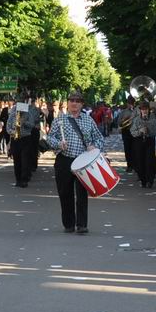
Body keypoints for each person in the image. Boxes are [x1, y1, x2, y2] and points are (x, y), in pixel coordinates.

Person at [49, 90, 104, 234]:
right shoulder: (59, 119)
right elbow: (50, 137)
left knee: (81, 195)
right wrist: (59, 143)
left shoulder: (88, 120)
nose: (74, 103)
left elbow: (99, 138)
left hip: (83, 162)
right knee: (64, 193)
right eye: (71, 100)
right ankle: (68, 224)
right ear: (68, 103)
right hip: (64, 160)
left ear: (82, 104)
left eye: (77, 101)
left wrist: (94, 147)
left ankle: (81, 225)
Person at [6, 94, 43, 187]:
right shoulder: (13, 114)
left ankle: (24, 179)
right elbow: (8, 127)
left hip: (25, 138)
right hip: (15, 139)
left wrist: (24, 122)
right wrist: (13, 132)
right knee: (17, 160)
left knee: (25, 160)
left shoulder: (28, 114)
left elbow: (32, 125)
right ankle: (18, 179)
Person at [130, 100, 156, 188]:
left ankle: (150, 180)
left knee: (149, 161)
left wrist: (149, 130)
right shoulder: (136, 119)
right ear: (140, 110)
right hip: (139, 142)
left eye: (146, 109)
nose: (144, 111)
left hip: (149, 141)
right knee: (140, 161)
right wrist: (140, 131)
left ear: (148, 110)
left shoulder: (152, 119)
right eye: (143, 109)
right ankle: (143, 180)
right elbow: (132, 132)